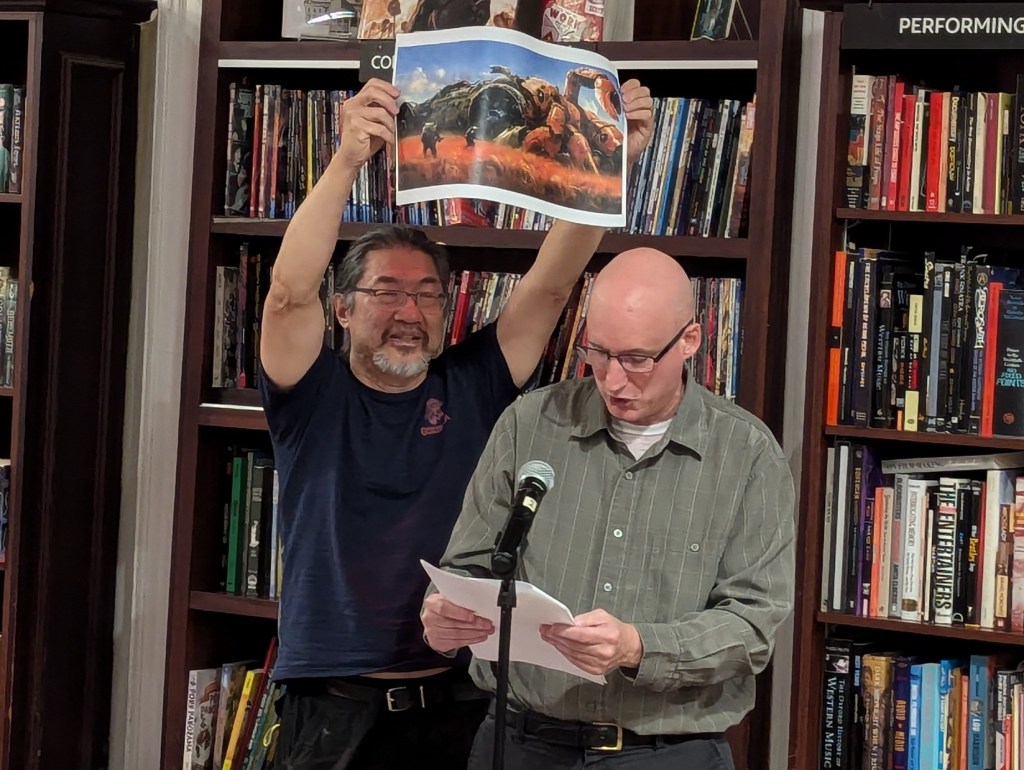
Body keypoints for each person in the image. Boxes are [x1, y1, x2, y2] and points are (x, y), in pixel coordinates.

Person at [258, 74, 653, 770]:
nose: (409, 313)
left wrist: (611, 160)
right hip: (331, 711)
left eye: (428, 296)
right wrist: (348, 158)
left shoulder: (475, 383)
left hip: (462, 704)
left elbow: (552, 286)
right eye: (387, 293)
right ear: (343, 309)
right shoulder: (309, 395)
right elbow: (290, 292)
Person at [421, 249, 796, 769]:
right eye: (598, 353)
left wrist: (639, 647)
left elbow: (752, 626)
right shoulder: (530, 424)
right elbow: (466, 568)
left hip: (666, 750)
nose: (614, 380)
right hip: (522, 740)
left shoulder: (747, 454)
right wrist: (443, 615)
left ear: (689, 340)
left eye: (637, 359)